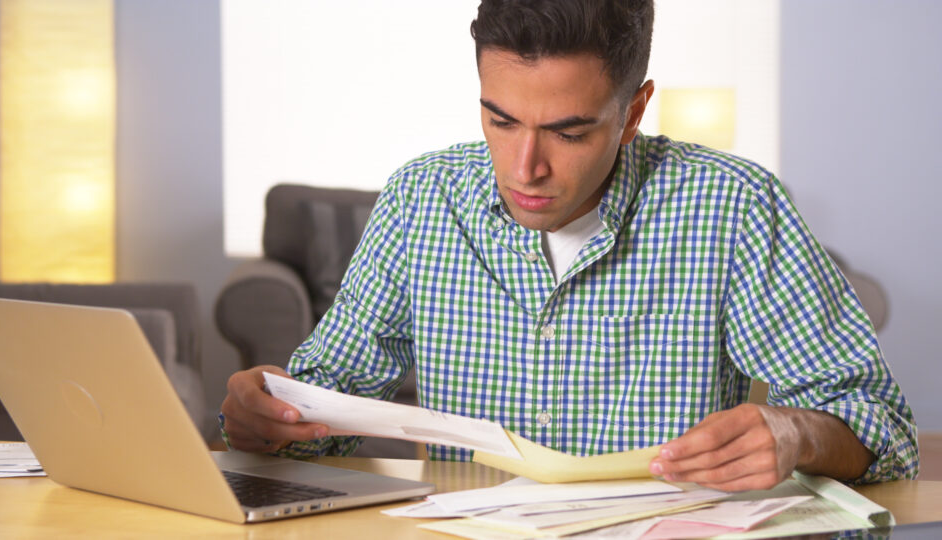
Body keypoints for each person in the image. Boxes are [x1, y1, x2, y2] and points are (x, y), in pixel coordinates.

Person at [221, 0, 918, 491]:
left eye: (569, 131)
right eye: (501, 120)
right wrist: (266, 416)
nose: (526, 168)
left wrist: (797, 435)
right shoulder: (420, 199)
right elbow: (323, 404)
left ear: (633, 113)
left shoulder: (734, 206)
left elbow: (881, 428)